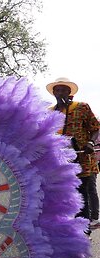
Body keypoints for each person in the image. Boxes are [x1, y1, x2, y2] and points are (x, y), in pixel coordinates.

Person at [47, 77, 100, 233]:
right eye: (57, 89)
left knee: (83, 193)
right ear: (53, 93)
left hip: (82, 159)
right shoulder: (50, 112)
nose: (60, 92)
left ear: (70, 92)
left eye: (64, 89)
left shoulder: (82, 107)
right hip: (60, 162)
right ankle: (68, 228)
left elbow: (96, 128)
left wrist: (91, 143)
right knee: (63, 195)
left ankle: (85, 229)